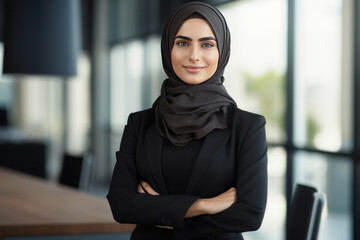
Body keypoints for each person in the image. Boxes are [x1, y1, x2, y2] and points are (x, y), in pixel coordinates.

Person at [107, 2, 268, 240]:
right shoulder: (139, 124)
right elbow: (121, 205)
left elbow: (250, 214)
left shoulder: (247, 127)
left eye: (207, 44)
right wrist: (203, 205)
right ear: (167, 49)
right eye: (182, 43)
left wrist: (162, 213)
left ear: (221, 51)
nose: (194, 56)